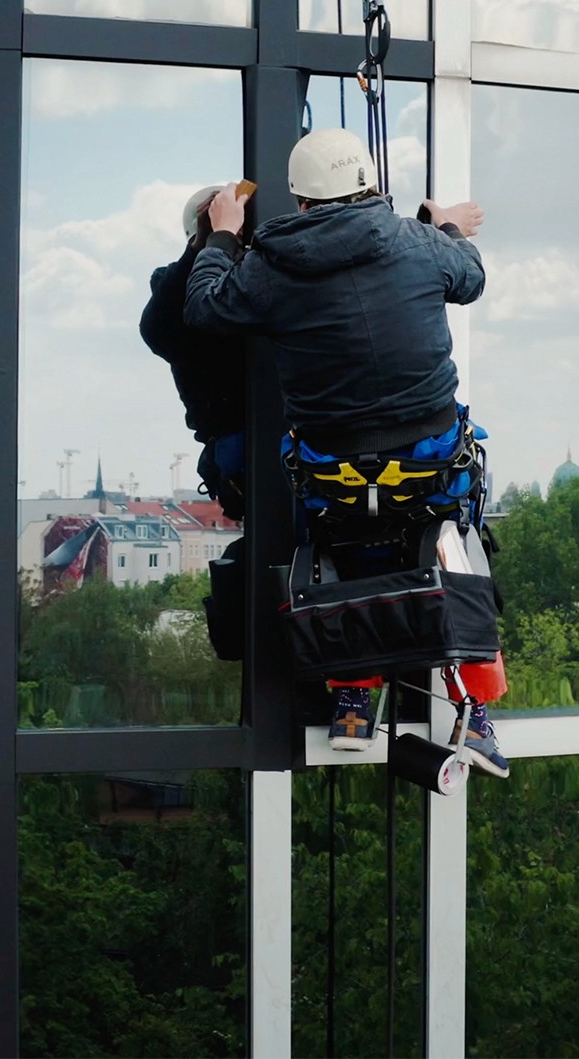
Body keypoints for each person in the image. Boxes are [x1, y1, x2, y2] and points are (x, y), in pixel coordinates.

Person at [183, 127, 509, 777]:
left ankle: (355, 696)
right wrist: (441, 226)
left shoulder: (269, 270)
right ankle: (476, 709)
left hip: (336, 481)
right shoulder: (416, 243)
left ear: (300, 202)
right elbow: (468, 278)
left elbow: (204, 307)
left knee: (337, 542)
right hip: (432, 466)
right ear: (370, 186)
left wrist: (222, 232)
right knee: (456, 540)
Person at [139, 185, 250, 520]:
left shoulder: (259, 276)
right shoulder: (175, 290)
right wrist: (208, 243)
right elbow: (160, 332)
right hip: (239, 441)